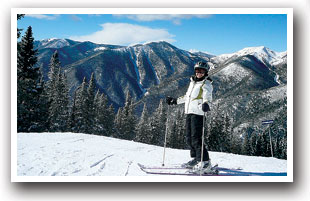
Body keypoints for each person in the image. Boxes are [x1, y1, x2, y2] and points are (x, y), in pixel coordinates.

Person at [166, 61, 213, 173]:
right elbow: (187, 97)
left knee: (197, 138)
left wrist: (206, 104)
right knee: (189, 137)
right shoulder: (193, 83)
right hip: (189, 112)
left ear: (206, 72)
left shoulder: (206, 84)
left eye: (201, 71)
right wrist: (175, 101)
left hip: (198, 113)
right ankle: (196, 159)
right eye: (197, 70)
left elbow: (208, 97)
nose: (199, 73)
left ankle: (205, 162)